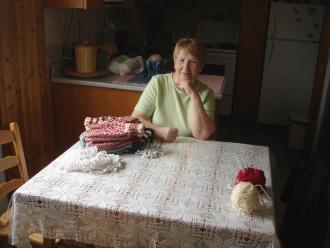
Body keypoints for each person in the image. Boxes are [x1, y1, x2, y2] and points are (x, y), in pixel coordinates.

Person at [132, 38, 215, 142]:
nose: (185, 68)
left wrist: (193, 94)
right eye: (181, 60)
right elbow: (136, 120)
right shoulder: (158, 83)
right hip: (158, 149)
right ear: (175, 61)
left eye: (192, 62)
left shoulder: (206, 93)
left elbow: (202, 135)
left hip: (190, 151)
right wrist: (158, 131)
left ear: (201, 66)